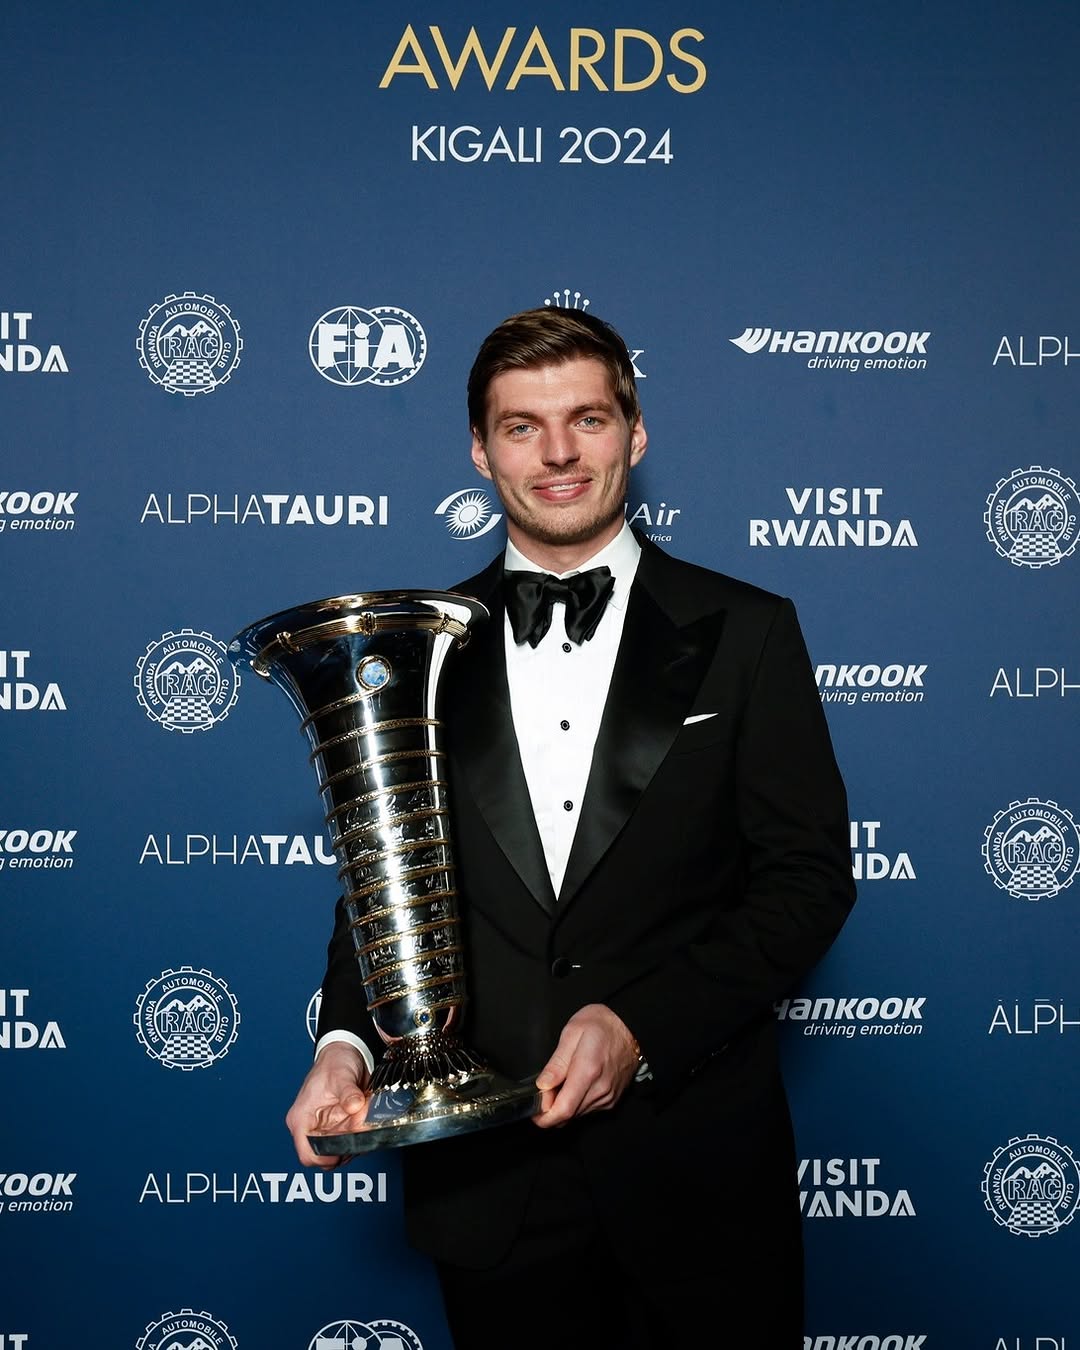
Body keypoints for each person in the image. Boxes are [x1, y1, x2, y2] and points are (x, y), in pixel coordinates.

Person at [287, 306, 857, 1347]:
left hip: (700, 1185)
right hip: (492, 1192)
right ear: (480, 449)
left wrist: (640, 1027)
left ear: (634, 434)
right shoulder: (410, 653)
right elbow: (383, 881)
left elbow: (807, 883)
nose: (557, 453)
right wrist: (347, 1046)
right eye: (522, 426)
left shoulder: (749, 631)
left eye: (587, 419)